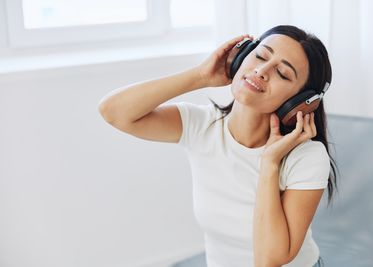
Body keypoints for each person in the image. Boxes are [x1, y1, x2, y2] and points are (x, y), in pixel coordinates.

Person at [98, 25, 338, 267]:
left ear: (300, 103)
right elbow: (113, 112)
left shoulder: (307, 157)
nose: (262, 70)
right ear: (241, 58)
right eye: (260, 56)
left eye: (283, 74)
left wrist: (269, 164)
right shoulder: (201, 125)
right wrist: (201, 76)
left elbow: (269, 260)